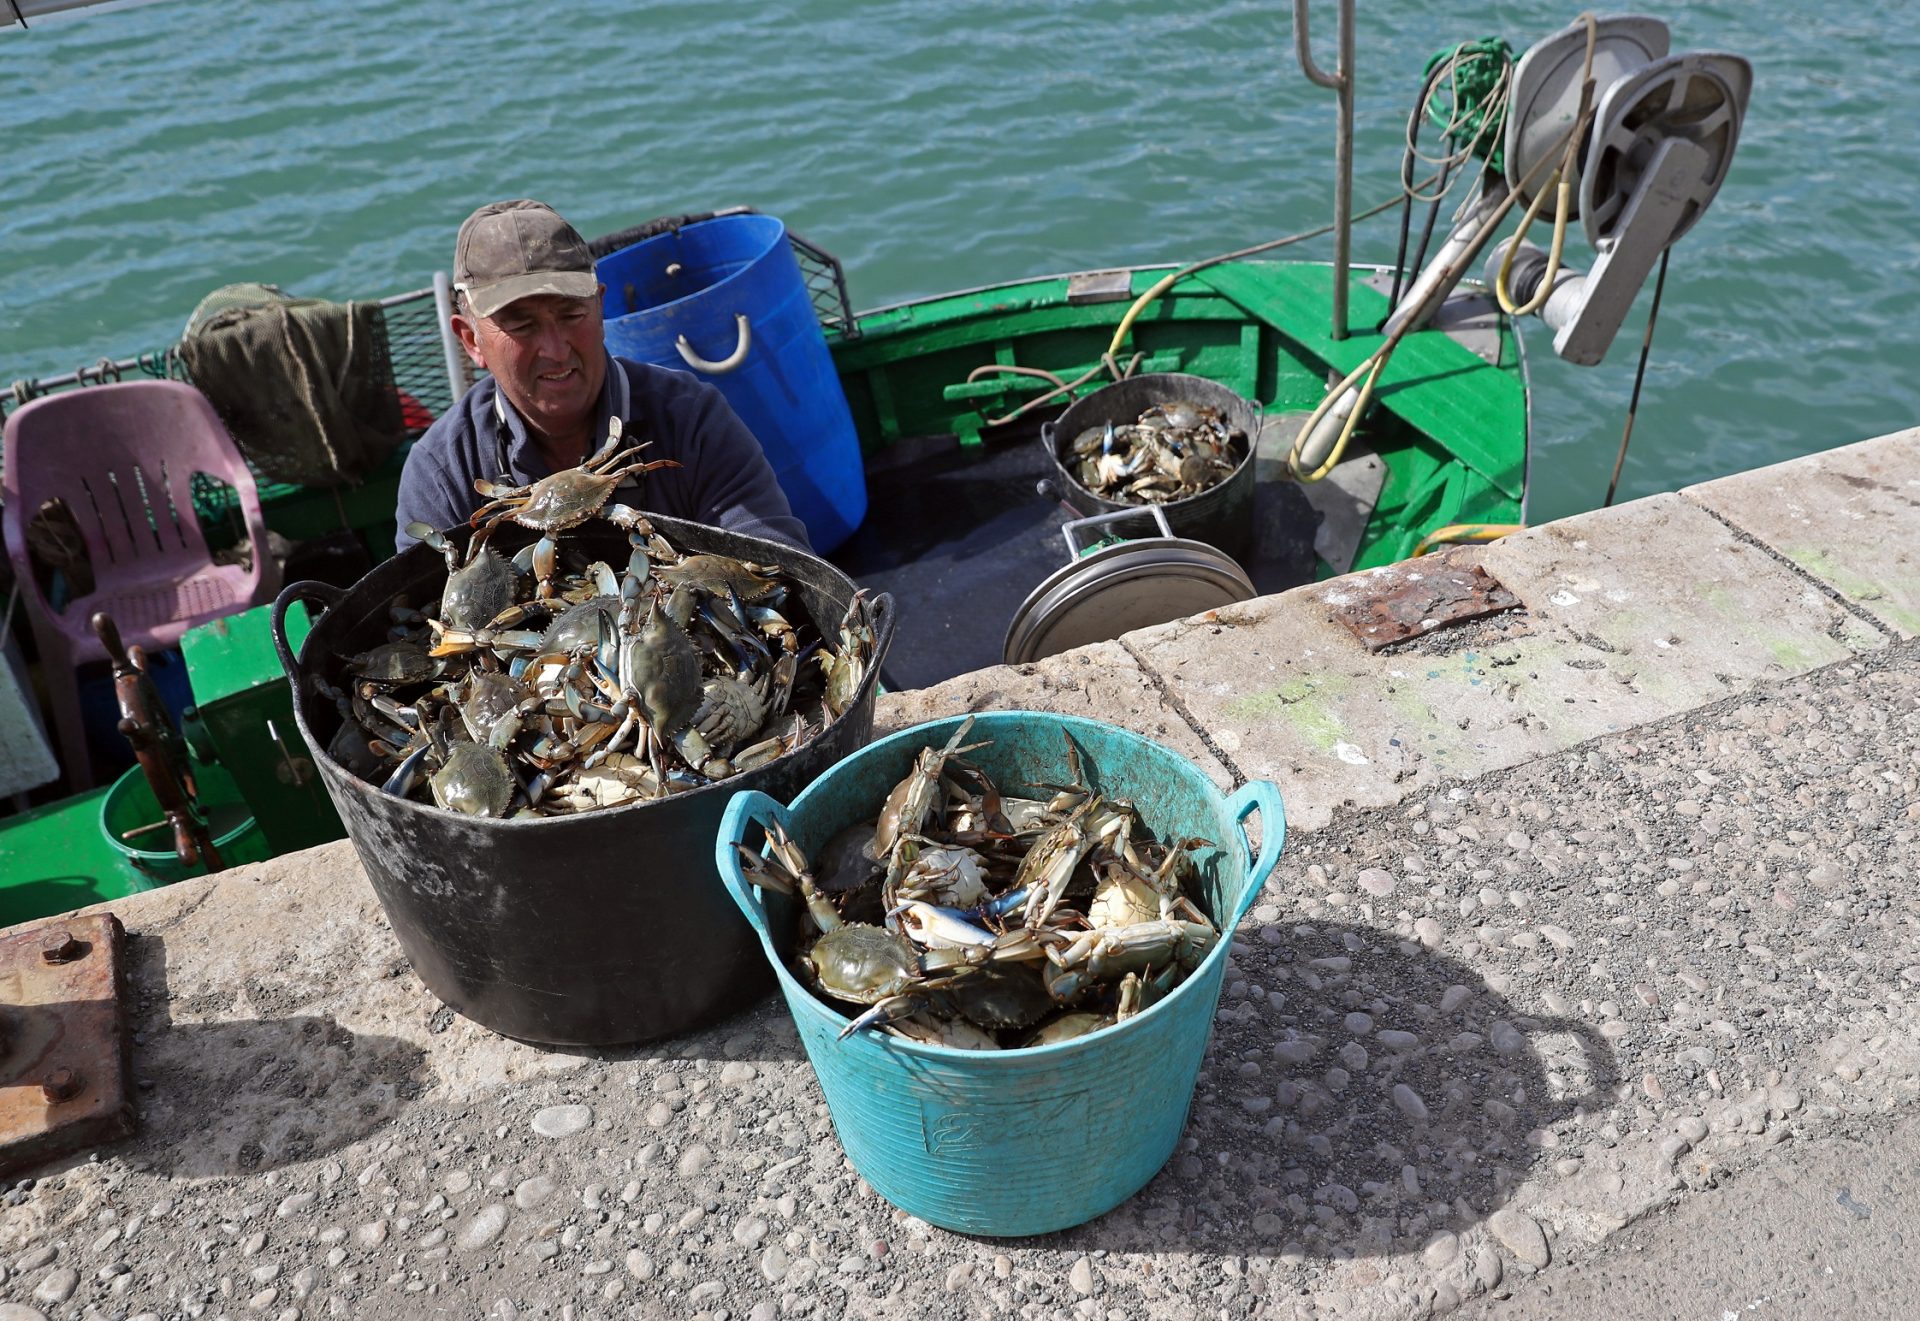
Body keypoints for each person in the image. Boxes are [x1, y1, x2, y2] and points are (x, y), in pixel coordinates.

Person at [393, 198, 809, 554]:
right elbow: (423, 624)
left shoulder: (692, 420)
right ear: (471, 341)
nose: (556, 350)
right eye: (521, 326)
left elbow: (776, 563)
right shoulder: (442, 471)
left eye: (572, 314)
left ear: (601, 309)